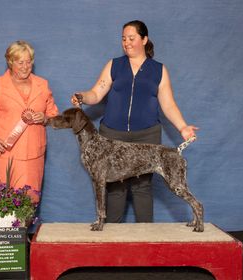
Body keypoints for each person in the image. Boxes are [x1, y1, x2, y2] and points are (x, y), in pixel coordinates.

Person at [71, 20, 198, 223]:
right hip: (112, 135)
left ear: (144, 39)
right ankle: (113, 238)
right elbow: (96, 93)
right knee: (115, 190)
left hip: (146, 134)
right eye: (123, 38)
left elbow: (168, 104)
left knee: (143, 188)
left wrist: (182, 127)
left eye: (131, 38)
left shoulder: (159, 70)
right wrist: (82, 96)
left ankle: (145, 240)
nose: (126, 42)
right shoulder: (114, 65)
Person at [0, 40, 58, 203]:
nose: (25, 66)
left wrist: (45, 118)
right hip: (5, 153)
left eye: (28, 62)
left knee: (29, 202)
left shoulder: (42, 85)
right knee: (2, 204)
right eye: (20, 62)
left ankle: (26, 229)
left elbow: (53, 114)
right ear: (10, 62)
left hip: (33, 154)